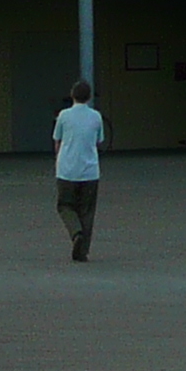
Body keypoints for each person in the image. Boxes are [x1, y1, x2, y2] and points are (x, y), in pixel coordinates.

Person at [51, 79, 105, 261]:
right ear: (89, 97)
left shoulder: (63, 116)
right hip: (90, 171)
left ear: (72, 95)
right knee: (87, 210)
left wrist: (58, 161)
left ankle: (76, 233)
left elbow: (57, 140)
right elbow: (99, 141)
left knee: (65, 205)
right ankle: (83, 251)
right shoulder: (96, 117)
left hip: (67, 170)